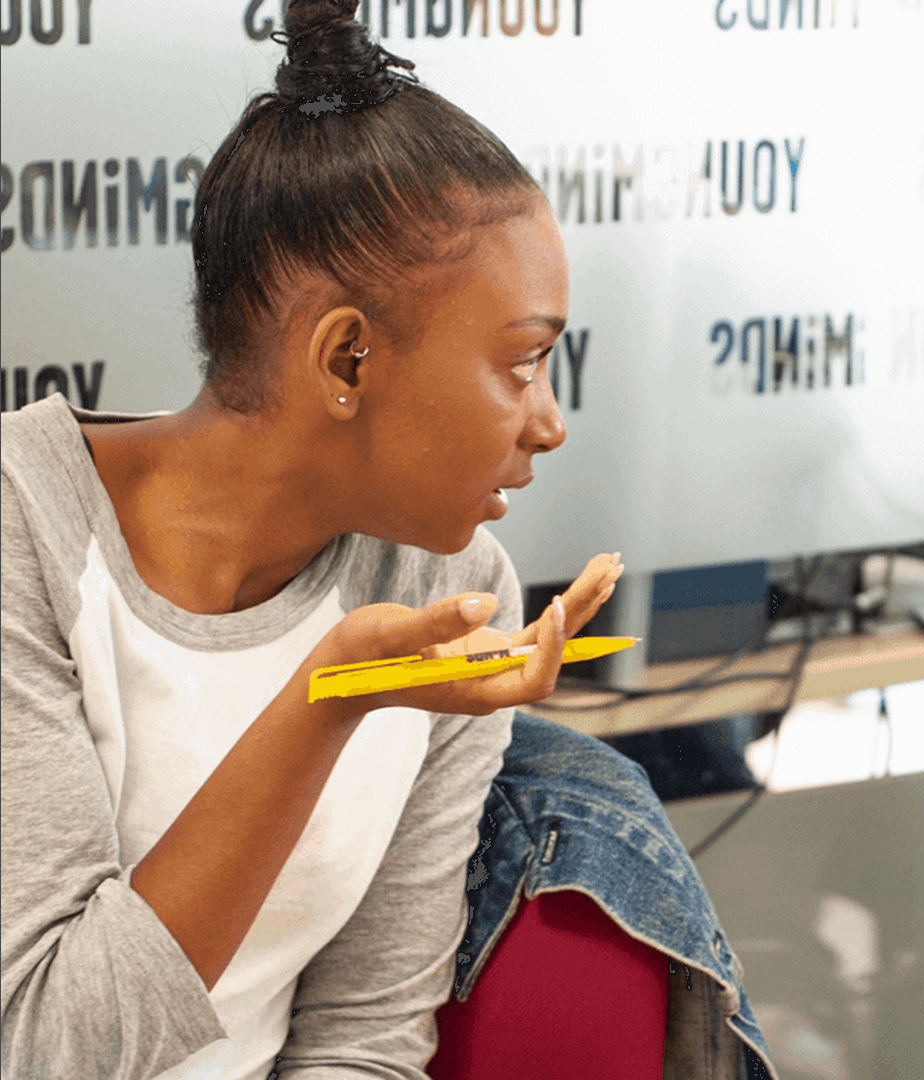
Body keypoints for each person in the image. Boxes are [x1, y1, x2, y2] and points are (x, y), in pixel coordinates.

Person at [0, 2, 624, 1076]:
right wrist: (326, 701)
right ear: (345, 362)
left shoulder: (458, 581)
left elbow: (365, 1039)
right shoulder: (25, 526)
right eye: (521, 364)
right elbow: (49, 1044)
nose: (550, 422)